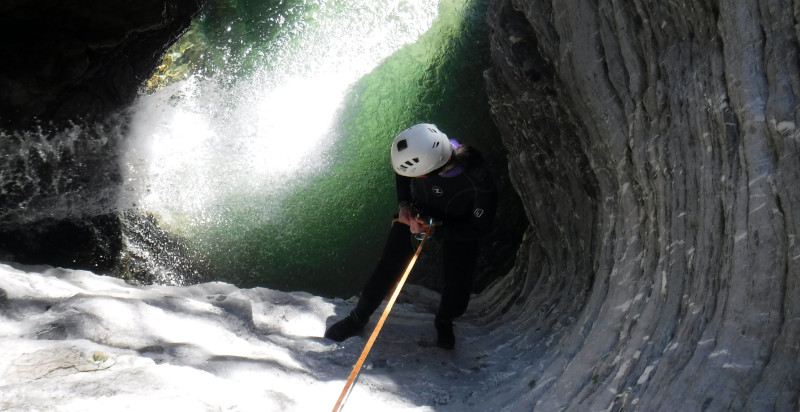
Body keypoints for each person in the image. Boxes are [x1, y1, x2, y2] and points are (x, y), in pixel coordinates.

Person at [324, 123, 498, 349]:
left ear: (427, 172)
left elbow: (479, 228)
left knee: (457, 288)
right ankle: (358, 318)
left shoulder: (477, 180)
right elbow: (403, 174)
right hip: (418, 213)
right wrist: (405, 206)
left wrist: (437, 231)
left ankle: (444, 320)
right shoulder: (429, 153)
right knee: (387, 266)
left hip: (459, 225)